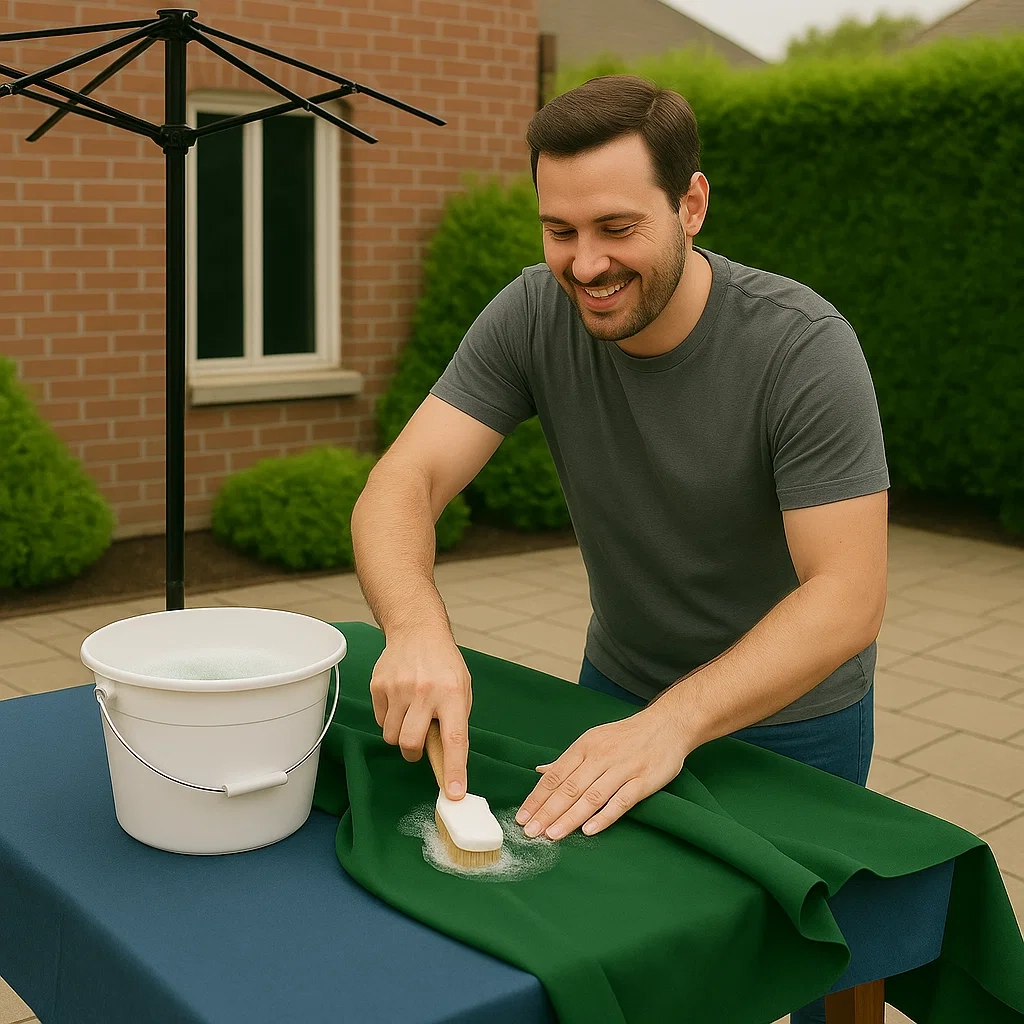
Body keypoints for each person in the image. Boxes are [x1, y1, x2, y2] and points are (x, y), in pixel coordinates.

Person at [351, 74, 889, 1024]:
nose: (586, 263)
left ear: (691, 203)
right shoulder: (530, 313)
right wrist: (417, 628)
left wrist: (672, 725)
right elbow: (404, 483)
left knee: (815, 966)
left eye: (616, 227)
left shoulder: (803, 347)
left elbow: (846, 596)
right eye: (560, 231)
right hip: (614, 695)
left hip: (796, 726)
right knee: (623, 959)